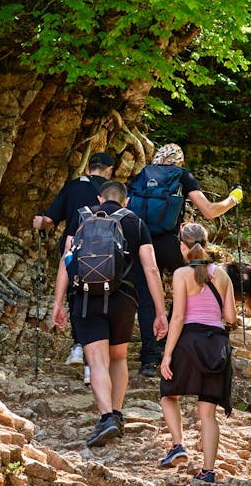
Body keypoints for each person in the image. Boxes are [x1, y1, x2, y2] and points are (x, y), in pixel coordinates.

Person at [52, 181, 168, 446]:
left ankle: (106, 418)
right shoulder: (135, 221)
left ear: (99, 198)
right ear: (126, 201)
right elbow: (150, 269)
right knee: (118, 358)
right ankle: (116, 413)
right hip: (123, 298)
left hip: (85, 299)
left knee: (96, 361)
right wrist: (160, 312)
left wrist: (58, 302)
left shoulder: (81, 216)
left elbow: (66, 260)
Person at [130, 143, 243, 377]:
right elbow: (209, 211)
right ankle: (173, 338)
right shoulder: (181, 175)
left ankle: (149, 358)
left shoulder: (142, 175)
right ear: (179, 161)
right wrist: (233, 199)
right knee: (189, 286)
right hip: (173, 244)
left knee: (147, 299)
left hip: (141, 242)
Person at [159, 222, 237, 484]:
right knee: (208, 412)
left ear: (183, 245)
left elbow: (179, 317)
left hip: (189, 342)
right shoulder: (224, 275)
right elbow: (230, 317)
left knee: (168, 393)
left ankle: (178, 445)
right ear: (206, 242)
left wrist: (167, 354)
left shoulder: (182, 274)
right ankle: (208, 471)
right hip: (217, 346)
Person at [33, 151, 114, 384]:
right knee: (101, 302)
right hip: (107, 253)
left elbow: (49, 220)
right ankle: (93, 365)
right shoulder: (112, 190)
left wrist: (39, 221)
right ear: (108, 170)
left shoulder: (72, 187)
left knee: (76, 296)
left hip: (75, 250)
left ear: (88, 167)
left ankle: (78, 345)